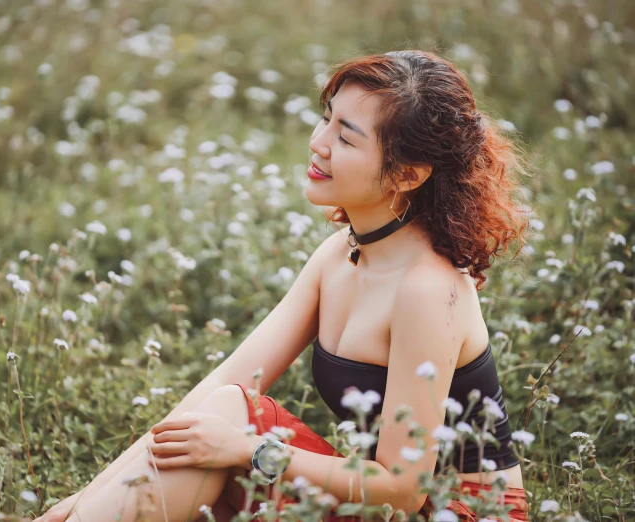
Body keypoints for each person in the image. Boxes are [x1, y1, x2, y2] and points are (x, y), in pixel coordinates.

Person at [34, 49, 532, 522]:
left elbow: (404, 488)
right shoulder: (341, 255)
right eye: (327, 118)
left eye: (347, 137)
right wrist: (87, 493)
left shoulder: (428, 289)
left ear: (406, 174)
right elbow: (223, 385)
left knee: (231, 423)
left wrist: (250, 450)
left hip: (452, 512)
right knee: (225, 408)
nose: (319, 143)